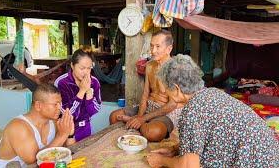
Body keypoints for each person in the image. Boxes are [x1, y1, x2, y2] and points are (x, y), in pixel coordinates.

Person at [146, 54, 279, 167]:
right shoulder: (213, 92)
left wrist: (162, 160)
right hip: (271, 157)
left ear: (176, 89)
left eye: (166, 89)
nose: (166, 93)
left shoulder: (192, 111)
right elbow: (210, 136)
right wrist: (175, 150)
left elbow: (189, 165)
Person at [110, 30, 176, 142]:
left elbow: (172, 104)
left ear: (169, 49)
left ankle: (134, 122)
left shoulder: (175, 69)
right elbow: (145, 94)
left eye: (158, 46)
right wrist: (140, 116)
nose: (153, 51)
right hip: (147, 108)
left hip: (164, 112)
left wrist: (142, 119)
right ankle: (138, 124)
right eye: (151, 46)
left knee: (153, 133)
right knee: (114, 116)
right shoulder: (150, 65)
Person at [0, 84, 74, 168]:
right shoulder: (18, 127)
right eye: (55, 104)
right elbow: (33, 160)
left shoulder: (54, 123)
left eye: (60, 103)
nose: (60, 107)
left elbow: (63, 152)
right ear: (38, 106)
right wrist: (62, 135)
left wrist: (69, 134)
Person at [54, 49, 102, 141]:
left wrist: (88, 94)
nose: (86, 72)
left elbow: (94, 111)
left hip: (86, 128)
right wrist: (82, 91)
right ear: (72, 65)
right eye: (82, 68)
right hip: (67, 129)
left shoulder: (94, 82)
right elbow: (66, 113)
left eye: (89, 68)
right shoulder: (62, 82)